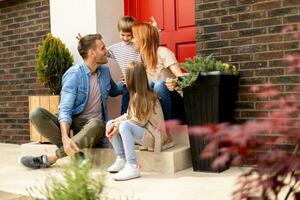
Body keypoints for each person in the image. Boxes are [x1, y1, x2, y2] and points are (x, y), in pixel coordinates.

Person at [20, 34, 123, 169]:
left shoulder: (104, 71)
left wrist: (129, 82)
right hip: (74, 124)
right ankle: (76, 155)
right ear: (92, 53)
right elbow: (66, 109)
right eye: (103, 48)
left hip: (93, 128)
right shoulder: (74, 74)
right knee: (36, 114)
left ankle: (51, 158)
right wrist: (65, 137)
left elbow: (114, 90)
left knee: (98, 123)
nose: (106, 51)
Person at [106, 61, 168, 181]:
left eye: (126, 76)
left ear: (132, 79)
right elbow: (129, 115)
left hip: (154, 135)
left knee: (124, 126)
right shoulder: (135, 95)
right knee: (111, 123)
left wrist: (118, 126)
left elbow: (139, 121)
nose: (124, 78)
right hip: (143, 132)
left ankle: (132, 166)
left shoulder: (147, 97)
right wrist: (114, 123)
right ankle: (121, 158)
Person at [131, 22, 186, 122]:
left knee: (159, 85)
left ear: (143, 38)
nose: (132, 40)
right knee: (147, 85)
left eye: (134, 37)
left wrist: (175, 82)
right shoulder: (141, 59)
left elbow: (183, 78)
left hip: (177, 105)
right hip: (158, 107)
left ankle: (164, 127)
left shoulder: (162, 52)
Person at [107, 16, 140, 115]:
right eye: (123, 35)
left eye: (129, 35)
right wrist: (85, 43)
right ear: (119, 31)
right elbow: (101, 51)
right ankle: (124, 118)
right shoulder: (115, 48)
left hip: (139, 80)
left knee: (136, 104)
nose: (126, 38)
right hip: (126, 82)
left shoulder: (138, 46)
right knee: (125, 103)